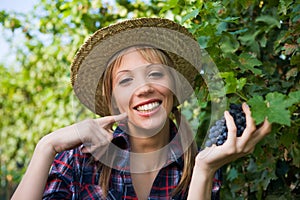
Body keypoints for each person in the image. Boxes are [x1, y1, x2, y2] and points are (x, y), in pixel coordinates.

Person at [11, 18, 271, 200]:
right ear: (113, 99)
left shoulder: (197, 162)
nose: (144, 88)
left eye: (156, 73)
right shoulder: (80, 159)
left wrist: (204, 171)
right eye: (125, 80)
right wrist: (47, 145)